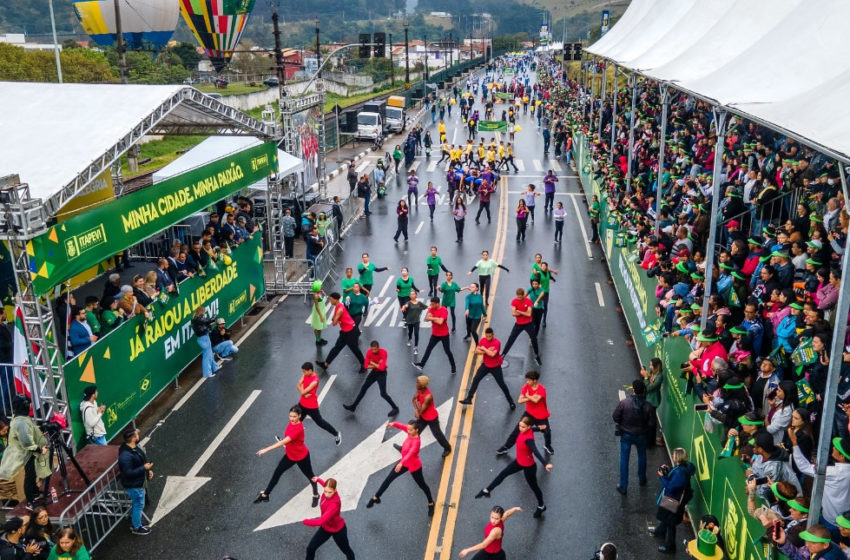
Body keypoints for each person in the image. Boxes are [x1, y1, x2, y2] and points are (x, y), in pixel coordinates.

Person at [475, 415, 553, 519]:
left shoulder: (529, 439)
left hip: (529, 467)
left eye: (523, 427)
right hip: (519, 462)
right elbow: (532, 429)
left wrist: (545, 463)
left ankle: (541, 506)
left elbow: (536, 451)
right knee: (503, 474)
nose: (520, 428)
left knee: (534, 488)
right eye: (520, 426)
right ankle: (487, 490)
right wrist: (539, 428)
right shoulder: (528, 430)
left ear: (528, 427)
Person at [365, 419, 435, 516]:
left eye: (410, 430)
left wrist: (401, 462)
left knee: (422, 485)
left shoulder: (416, 442)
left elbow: (411, 453)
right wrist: (393, 424)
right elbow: (403, 426)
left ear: (417, 430)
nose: (408, 431)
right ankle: (376, 497)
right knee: (388, 479)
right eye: (408, 429)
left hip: (414, 466)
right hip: (403, 463)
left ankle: (431, 503)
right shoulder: (411, 433)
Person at [254, 405, 321, 506]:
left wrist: (266, 449)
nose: (292, 419)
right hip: (290, 455)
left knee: (311, 477)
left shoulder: (298, 429)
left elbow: (283, 442)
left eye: (294, 416)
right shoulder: (293, 423)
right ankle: (265, 495)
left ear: (299, 416)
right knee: (277, 473)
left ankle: (316, 495)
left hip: (301, 457)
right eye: (290, 416)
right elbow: (288, 439)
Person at [0, 396, 48, 510]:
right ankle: (30, 501)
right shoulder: (20, 422)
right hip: (24, 454)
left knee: (32, 475)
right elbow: (27, 444)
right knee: (30, 477)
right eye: (29, 404)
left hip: (24, 453)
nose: (31, 405)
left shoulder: (19, 418)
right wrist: (40, 450)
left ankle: (35, 493)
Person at [650, 448, 696, 554]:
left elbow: (671, 487)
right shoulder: (684, 467)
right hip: (674, 499)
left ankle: (670, 546)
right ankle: (660, 531)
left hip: (673, 500)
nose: (673, 455)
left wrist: (662, 477)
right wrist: (668, 470)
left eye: (674, 454)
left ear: (677, 458)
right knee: (666, 518)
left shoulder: (680, 472)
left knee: (670, 523)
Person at [613, 379, 654, 495]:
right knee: (642, 456)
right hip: (641, 435)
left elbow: (615, 417)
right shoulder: (648, 406)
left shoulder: (625, 403)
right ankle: (642, 479)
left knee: (624, 459)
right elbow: (651, 423)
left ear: (634, 390)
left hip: (626, 435)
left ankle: (623, 486)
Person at [497, 370, 553, 455]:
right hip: (529, 414)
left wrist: (527, 396)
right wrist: (529, 397)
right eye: (527, 380)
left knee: (547, 431)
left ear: (534, 381)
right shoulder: (525, 387)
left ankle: (547, 445)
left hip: (541, 415)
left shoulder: (542, 389)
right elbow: (520, 401)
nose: (527, 382)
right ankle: (506, 447)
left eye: (529, 380)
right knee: (517, 430)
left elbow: (536, 400)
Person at [459, 328, 514, 409]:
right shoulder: (483, 340)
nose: (488, 338)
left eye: (490, 336)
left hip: (496, 366)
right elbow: (476, 351)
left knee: (502, 384)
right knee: (476, 380)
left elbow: (492, 355)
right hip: (485, 365)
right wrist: (487, 351)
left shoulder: (497, 342)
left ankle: (511, 402)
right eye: (487, 336)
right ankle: (469, 398)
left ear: (493, 335)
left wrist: (484, 349)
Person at [303, 477, 356, 560]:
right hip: (326, 528)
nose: (327, 494)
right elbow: (325, 485)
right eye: (325, 491)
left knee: (347, 551)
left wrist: (306, 521)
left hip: (338, 530)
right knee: (310, 548)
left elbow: (321, 521)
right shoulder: (326, 490)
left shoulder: (334, 504)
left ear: (335, 490)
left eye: (330, 492)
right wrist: (318, 479)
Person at [344, 340, 399, 417]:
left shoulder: (383, 352)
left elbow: (382, 368)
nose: (374, 351)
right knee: (363, 389)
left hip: (382, 374)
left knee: (383, 394)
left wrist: (372, 363)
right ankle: (353, 407)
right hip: (374, 372)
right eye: (372, 349)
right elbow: (366, 366)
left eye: (375, 349)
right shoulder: (369, 352)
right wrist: (376, 364)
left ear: (378, 348)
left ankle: (395, 408)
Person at [318, 293, 366, 372]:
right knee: (336, 348)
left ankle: (364, 364)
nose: (330, 301)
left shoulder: (339, 309)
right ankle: (325, 364)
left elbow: (333, 323)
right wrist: (337, 320)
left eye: (331, 299)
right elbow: (334, 319)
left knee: (355, 349)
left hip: (351, 331)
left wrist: (337, 320)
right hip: (345, 331)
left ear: (335, 299)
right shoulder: (338, 306)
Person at [118, 427, 153, 535]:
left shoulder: (133, 447)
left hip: (138, 482)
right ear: (133, 438)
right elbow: (128, 472)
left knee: (137, 504)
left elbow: (142, 458)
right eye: (136, 434)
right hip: (134, 485)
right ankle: (136, 527)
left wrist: (148, 470)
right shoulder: (125, 455)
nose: (138, 435)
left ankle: (135, 521)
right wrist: (144, 468)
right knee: (138, 505)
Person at [297, 363, 341, 444]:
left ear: (310, 370)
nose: (303, 374)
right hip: (302, 403)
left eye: (304, 372)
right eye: (303, 372)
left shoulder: (314, 381)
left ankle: (336, 434)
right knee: (296, 420)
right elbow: (298, 385)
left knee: (320, 423)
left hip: (311, 406)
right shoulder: (306, 375)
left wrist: (302, 390)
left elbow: (302, 389)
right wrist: (303, 392)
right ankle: (287, 440)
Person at [459, 505, 523, 559]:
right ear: (490, 515)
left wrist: (467, 550)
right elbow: (507, 513)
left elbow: (484, 544)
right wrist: (515, 509)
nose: (493, 521)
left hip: (494, 555)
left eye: (496, 519)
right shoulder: (501, 519)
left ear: (500, 518)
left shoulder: (496, 531)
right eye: (492, 517)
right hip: (488, 550)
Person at [413, 297, 457, 374]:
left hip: (444, 334)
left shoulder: (444, 310)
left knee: (447, 351)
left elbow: (440, 322)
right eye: (431, 304)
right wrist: (436, 318)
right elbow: (426, 318)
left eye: (433, 304)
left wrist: (432, 318)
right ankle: (421, 365)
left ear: (438, 304)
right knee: (428, 349)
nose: (431, 305)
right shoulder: (432, 308)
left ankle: (453, 367)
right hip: (435, 334)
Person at [499, 288, 542, 366]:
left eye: (521, 297)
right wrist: (523, 312)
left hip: (528, 323)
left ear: (523, 295)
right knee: (511, 339)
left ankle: (537, 356)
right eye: (518, 297)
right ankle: (503, 355)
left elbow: (529, 314)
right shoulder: (514, 301)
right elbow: (513, 314)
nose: (519, 299)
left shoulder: (528, 301)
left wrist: (519, 311)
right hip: (518, 324)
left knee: (534, 339)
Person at [412, 376, 451, 458]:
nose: (416, 383)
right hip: (423, 416)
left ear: (422, 385)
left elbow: (422, 409)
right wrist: (416, 409)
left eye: (417, 382)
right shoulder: (419, 390)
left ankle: (447, 448)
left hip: (431, 418)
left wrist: (418, 412)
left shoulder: (428, 397)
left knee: (437, 434)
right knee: (414, 431)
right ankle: (406, 448)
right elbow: (413, 399)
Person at [191, 306, 219, 378]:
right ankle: (207, 373)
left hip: (205, 337)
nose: (204, 313)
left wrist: (209, 324)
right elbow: (208, 321)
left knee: (209, 354)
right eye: (204, 311)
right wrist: (213, 317)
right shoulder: (197, 319)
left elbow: (207, 325)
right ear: (201, 311)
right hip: (203, 338)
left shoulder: (198, 319)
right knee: (207, 356)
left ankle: (215, 367)